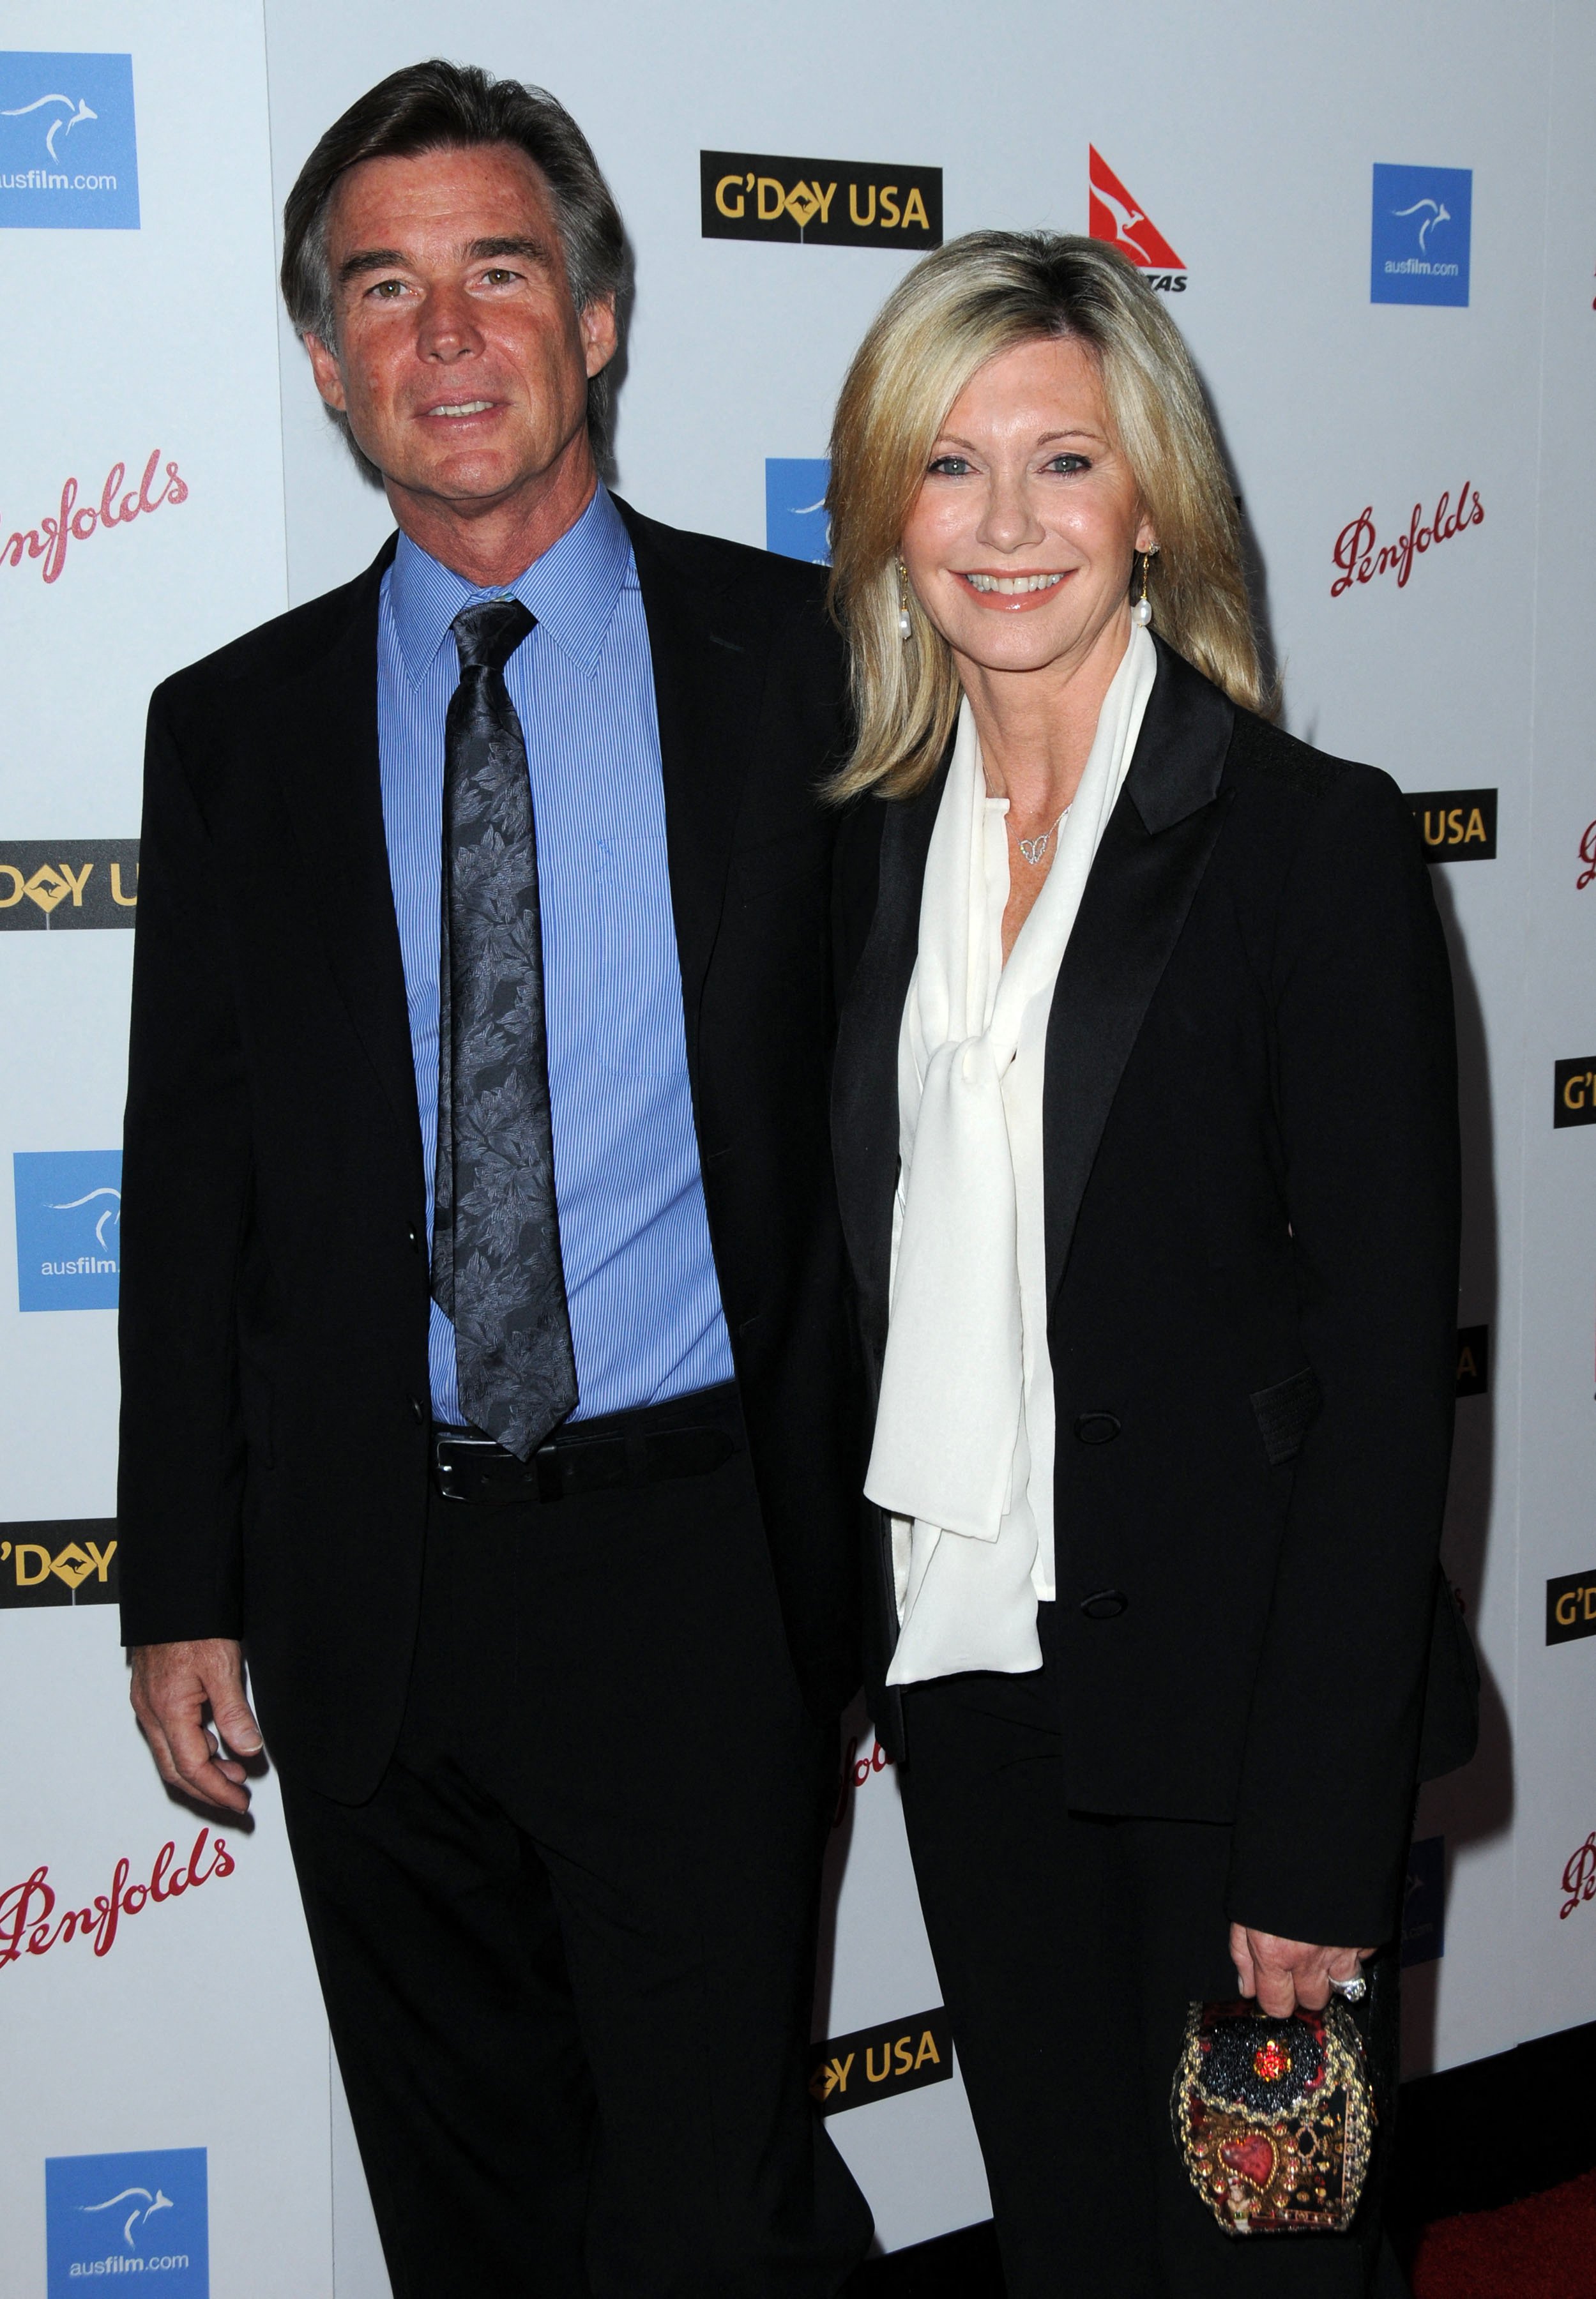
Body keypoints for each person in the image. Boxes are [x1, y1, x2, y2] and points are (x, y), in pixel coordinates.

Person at [116, 60, 871, 2298]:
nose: (444, 335)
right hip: (374, 1591)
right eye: (384, 290)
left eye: (498, 272)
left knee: (716, 2211)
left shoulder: (813, 665)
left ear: (601, 314)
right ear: (331, 364)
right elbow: (194, 1177)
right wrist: (177, 1576)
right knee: (471, 2222)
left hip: (702, 1568)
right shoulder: (229, 725)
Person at [826, 232, 1477, 2297]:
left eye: (1063, 465)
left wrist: (1312, 1835)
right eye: (947, 467)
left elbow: (1385, 1378)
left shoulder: (1308, 843)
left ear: (1154, 508)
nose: (1003, 526)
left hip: (1233, 1722)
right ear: (884, 512)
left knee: (1268, 2271)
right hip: (971, 1687)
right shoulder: (861, 846)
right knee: (1075, 2252)